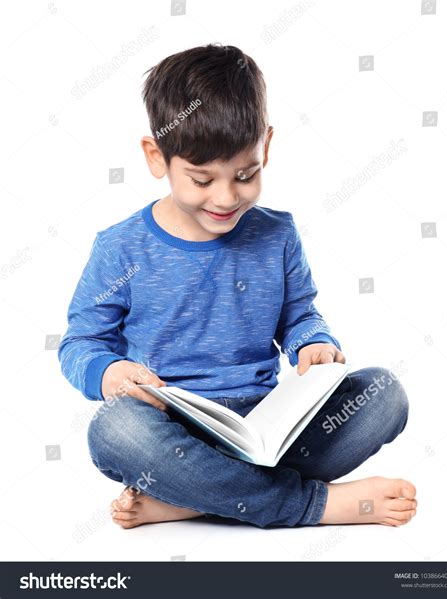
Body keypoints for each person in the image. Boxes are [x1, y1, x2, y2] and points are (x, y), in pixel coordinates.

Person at [58, 44, 417, 530]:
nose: (226, 198)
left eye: (245, 175)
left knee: (383, 393)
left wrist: (313, 343)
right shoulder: (121, 248)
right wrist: (110, 371)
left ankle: (196, 500)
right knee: (114, 431)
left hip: (268, 429)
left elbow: (300, 316)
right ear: (156, 156)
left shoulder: (277, 234)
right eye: (202, 179)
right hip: (171, 434)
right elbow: (82, 342)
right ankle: (314, 505)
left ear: (266, 146)